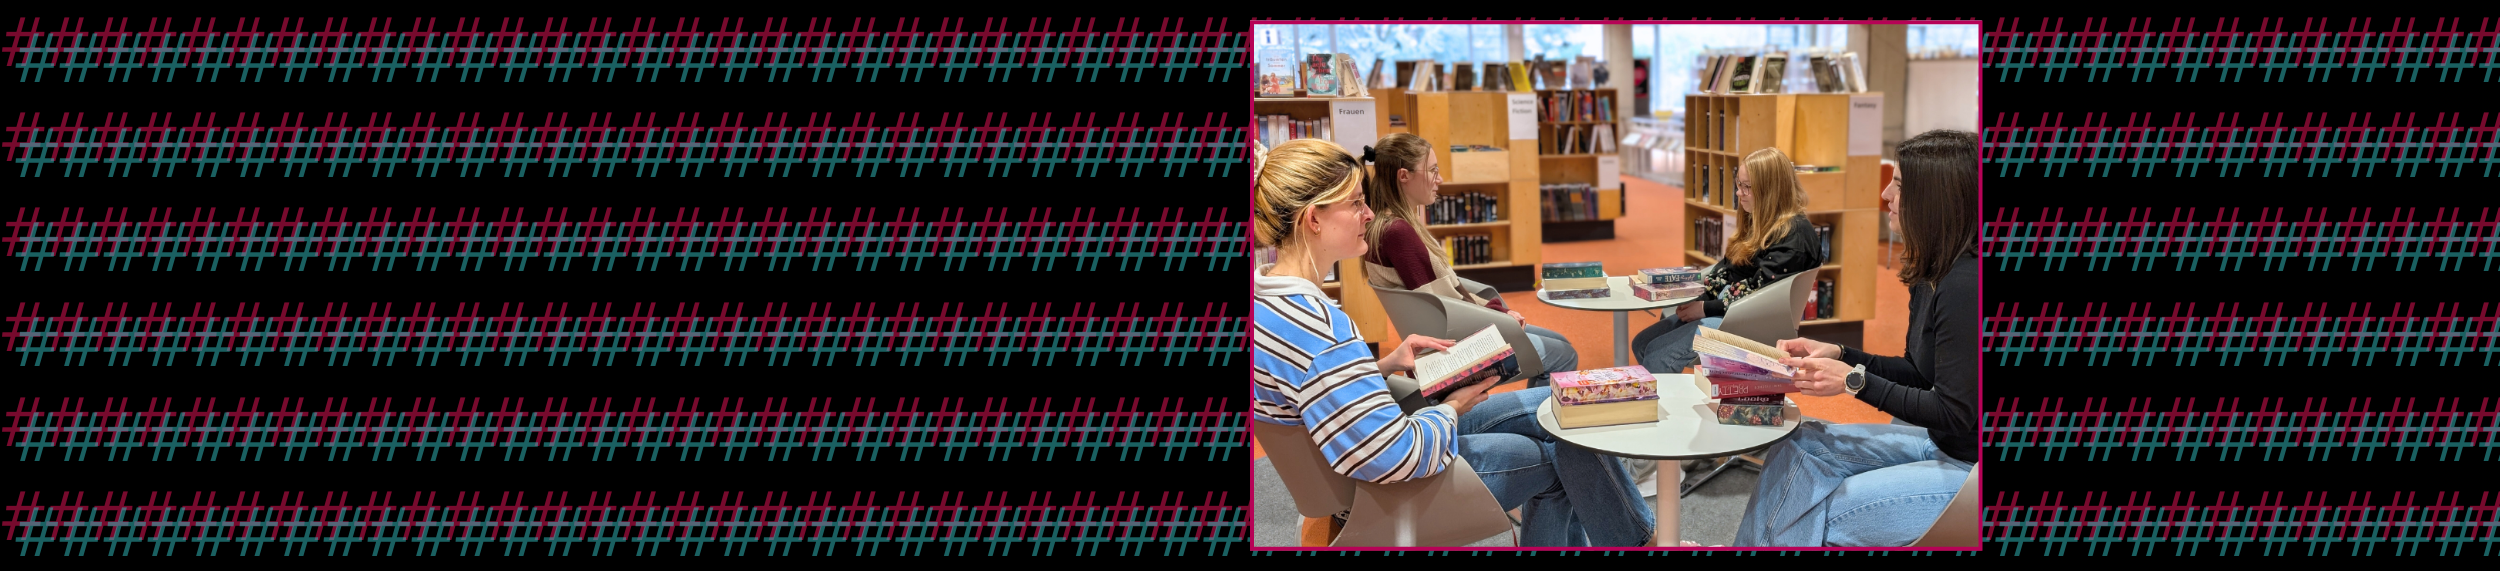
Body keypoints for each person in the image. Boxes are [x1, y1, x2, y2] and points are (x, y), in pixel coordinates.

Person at [1251, 138, 1654, 547]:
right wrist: (1451, 408)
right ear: (1313, 219)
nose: (1368, 213)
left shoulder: (1267, 303)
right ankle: (1640, 540)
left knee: (1565, 401)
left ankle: (1637, 538)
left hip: (1360, 458)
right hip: (1390, 486)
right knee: (1564, 446)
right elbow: (1396, 456)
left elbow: (1314, 392)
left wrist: (1384, 364)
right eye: (1355, 203)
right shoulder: (1324, 330)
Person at [1734, 129, 1981, 547]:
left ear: (1933, 200)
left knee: (1811, 512)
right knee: (1797, 443)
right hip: (1940, 445)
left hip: (1969, 471)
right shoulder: (1933, 272)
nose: (1886, 193)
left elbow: (1957, 413)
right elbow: (1920, 376)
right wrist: (1843, 354)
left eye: (1899, 185)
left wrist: (1852, 380)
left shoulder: (1965, 286)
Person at [1357, 133, 1579, 388]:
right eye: (1432, 170)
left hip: (1454, 330)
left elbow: (1440, 293)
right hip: (1457, 344)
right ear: (1404, 176)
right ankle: (1539, 424)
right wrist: (1501, 313)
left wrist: (1500, 312)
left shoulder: (1388, 223)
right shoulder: (1398, 232)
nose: (1439, 179)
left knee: (1560, 342)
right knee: (1564, 355)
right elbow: (1441, 304)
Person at [1629, 147, 1823, 376]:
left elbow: (1757, 299)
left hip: (1752, 328)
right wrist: (1695, 297)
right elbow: (1728, 269)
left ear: (1770, 190)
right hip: (1728, 313)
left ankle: (1661, 409)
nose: (1739, 193)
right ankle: (1667, 400)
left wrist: (1702, 308)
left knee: (1660, 355)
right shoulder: (1761, 219)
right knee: (1642, 343)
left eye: (1746, 187)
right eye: (1738, 184)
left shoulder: (1794, 237)